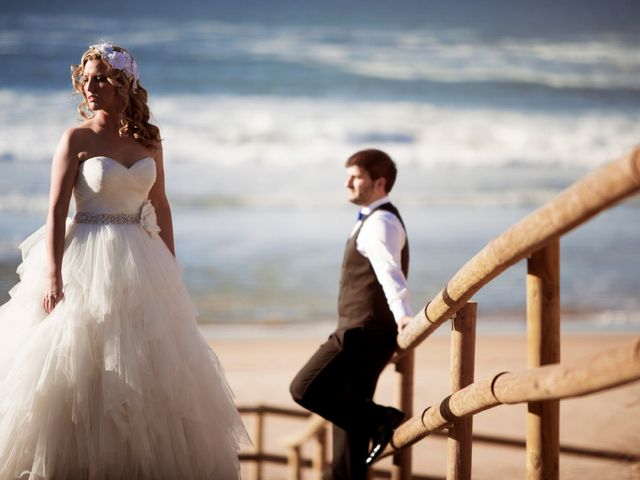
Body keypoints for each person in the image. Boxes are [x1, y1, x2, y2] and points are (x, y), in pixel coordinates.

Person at [0, 43, 248, 479]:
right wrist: (54, 275)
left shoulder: (149, 139)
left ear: (123, 86)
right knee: (79, 362)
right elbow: (57, 210)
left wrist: (170, 265)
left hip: (141, 255)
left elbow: (163, 205)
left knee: (148, 364)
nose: (90, 86)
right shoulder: (76, 138)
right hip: (86, 253)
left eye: (100, 79)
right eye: (86, 78)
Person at [290, 149, 412, 479]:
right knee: (349, 436)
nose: (348, 183)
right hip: (365, 331)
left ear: (379, 183)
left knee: (304, 388)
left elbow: (390, 272)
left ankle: (383, 419)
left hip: (363, 331)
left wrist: (403, 315)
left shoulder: (380, 222)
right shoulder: (374, 219)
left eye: (356, 177)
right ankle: (369, 427)